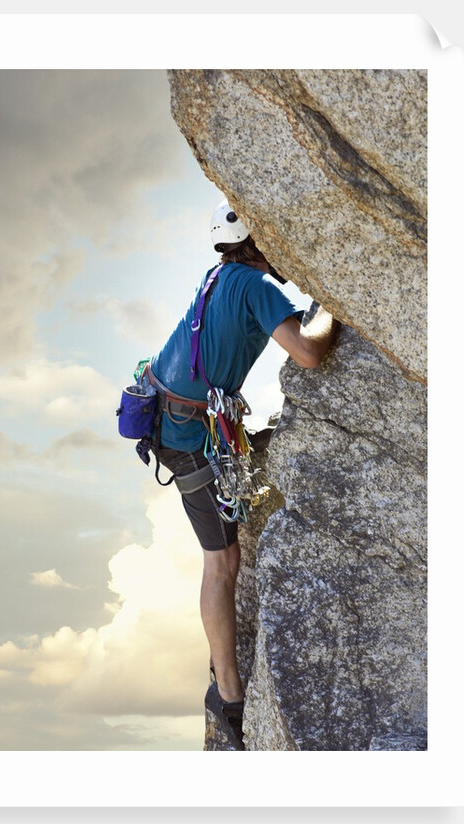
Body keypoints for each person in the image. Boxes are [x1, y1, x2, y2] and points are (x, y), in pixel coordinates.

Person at [146, 199, 339, 749]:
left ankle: (223, 678)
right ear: (257, 239)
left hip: (173, 424)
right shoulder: (255, 286)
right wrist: (330, 310)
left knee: (223, 557)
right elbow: (307, 352)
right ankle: (229, 693)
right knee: (223, 561)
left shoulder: (218, 277)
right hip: (187, 438)